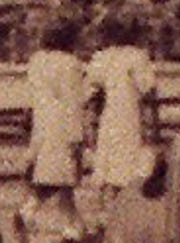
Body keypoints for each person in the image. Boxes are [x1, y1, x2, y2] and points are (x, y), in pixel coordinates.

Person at [84, 13, 160, 228]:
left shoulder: (101, 58)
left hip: (109, 121)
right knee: (131, 173)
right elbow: (149, 94)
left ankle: (110, 221)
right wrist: (154, 129)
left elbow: (91, 96)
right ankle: (127, 224)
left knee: (109, 174)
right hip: (130, 120)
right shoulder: (137, 57)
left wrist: (90, 126)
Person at [23, 18, 92, 243]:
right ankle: (65, 226)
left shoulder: (37, 61)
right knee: (64, 177)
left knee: (55, 178)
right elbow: (73, 102)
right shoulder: (71, 64)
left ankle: (73, 227)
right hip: (63, 125)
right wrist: (78, 137)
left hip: (42, 123)